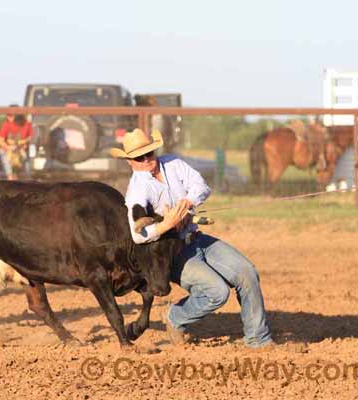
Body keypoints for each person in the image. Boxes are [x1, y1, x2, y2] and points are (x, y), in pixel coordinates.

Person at [110, 128, 273, 348]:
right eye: (140, 157)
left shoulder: (173, 163)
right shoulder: (137, 191)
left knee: (247, 272)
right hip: (172, 253)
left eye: (150, 153)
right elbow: (138, 236)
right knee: (217, 292)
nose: (147, 159)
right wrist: (167, 224)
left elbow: (201, 186)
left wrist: (187, 203)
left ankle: (258, 339)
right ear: (130, 162)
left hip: (196, 238)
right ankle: (175, 317)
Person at [0, 105, 32, 180]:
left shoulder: (27, 124)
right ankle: (10, 177)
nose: (8, 116)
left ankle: (27, 177)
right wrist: (8, 147)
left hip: (22, 150)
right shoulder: (6, 124)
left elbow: (31, 137)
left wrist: (25, 143)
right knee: (3, 153)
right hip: (9, 150)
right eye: (8, 115)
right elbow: (0, 140)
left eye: (11, 115)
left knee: (26, 157)